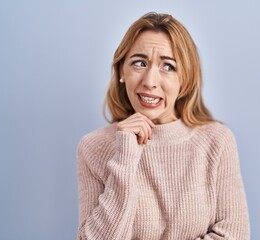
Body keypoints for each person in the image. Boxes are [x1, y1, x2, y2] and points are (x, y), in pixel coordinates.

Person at [76, 12, 250, 240]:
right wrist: (125, 155)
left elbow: (233, 235)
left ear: (185, 78)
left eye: (168, 66)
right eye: (139, 63)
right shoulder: (93, 147)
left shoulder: (217, 140)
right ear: (121, 72)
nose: (149, 82)